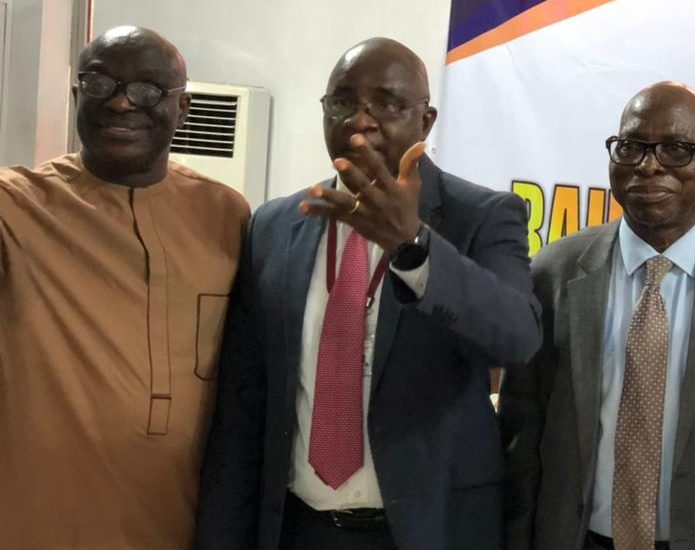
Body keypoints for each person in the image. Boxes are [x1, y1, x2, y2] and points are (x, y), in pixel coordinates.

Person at [196, 37, 542, 550]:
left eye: (387, 103)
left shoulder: (481, 216)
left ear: (426, 121)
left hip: (427, 531)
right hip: (298, 529)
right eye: (342, 101)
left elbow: (516, 338)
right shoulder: (273, 226)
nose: (360, 120)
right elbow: (243, 404)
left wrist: (414, 246)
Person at [501, 81, 695, 550]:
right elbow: (522, 435)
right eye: (630, 147)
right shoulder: (554, 270)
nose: (648, 166)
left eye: (676, 149)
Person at [0, 26, 249, 549]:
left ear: (183, 109)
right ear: (77, 95)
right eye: (100, 84)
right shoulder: (16, 207)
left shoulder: (226, 216)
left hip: (176, 528)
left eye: (148, 90)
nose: (120, 102)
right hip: (36, 528)